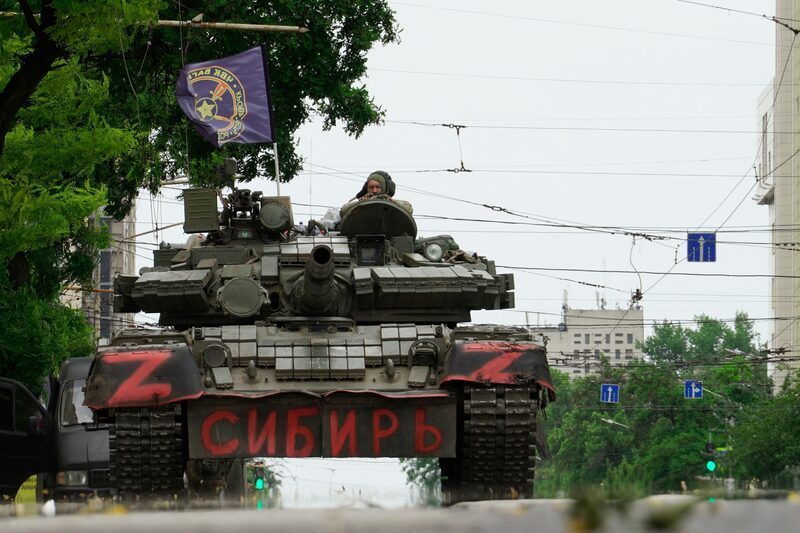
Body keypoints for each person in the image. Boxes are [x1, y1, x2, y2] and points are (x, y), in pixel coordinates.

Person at [340, 171, 412, 215]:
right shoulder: (362, 202)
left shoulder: (392, 202)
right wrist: (359, 203)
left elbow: (409, 209)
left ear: (385, 188)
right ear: (366, 189)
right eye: (371, 187)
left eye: (378, 187)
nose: (374, 191)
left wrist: (394, 203)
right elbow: (343, 211)